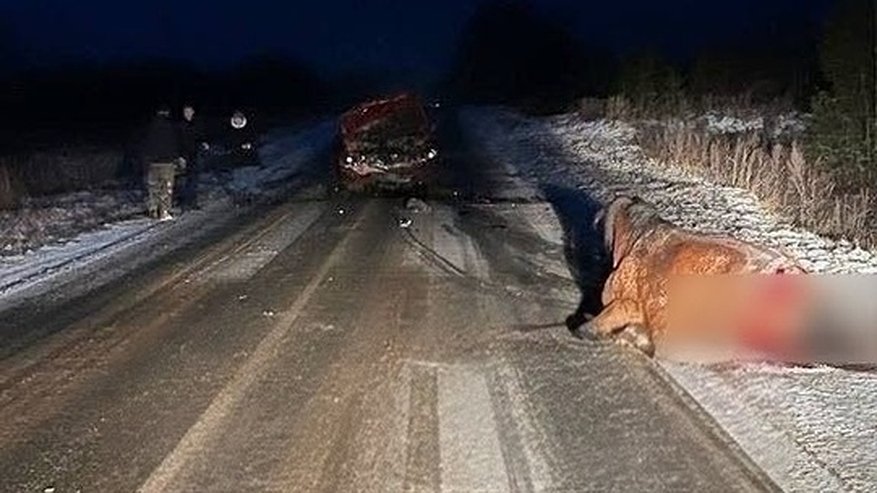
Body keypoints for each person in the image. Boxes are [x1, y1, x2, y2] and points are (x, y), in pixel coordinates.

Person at [142, 105, 184, 221]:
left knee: (154, 187)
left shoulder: (150, 127)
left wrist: (146, 160)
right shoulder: (171, 127)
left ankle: (153, 209)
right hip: (167, 162)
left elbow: (145, 145)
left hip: (153, 162)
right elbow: (175, 144)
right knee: (166, 187)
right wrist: (177, 158)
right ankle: (164, 211)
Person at [177, 104, 208, 210]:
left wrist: (203, 142)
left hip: (195, 154)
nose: (188, 113)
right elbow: (178, 141)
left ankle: (193, 202)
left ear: (193, 112)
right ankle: (184, 203)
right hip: (185, 156)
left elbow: (200, 136)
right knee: (184, 180)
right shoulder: (181, 125)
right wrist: (180, 156)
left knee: (194, 180)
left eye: (189, 111)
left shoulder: (197, 123)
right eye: (186, 111)